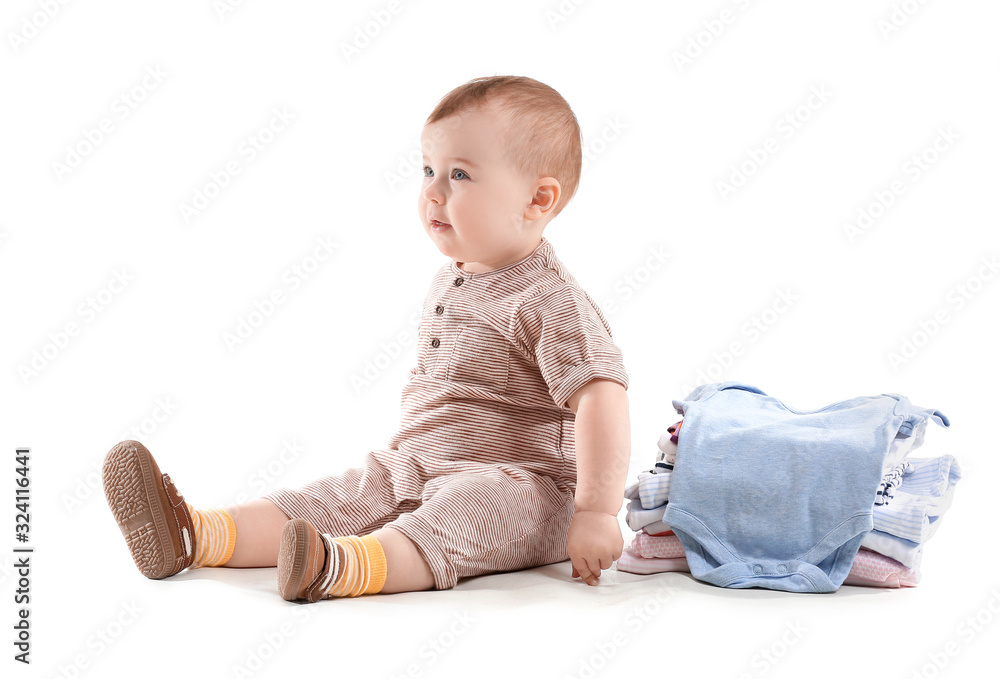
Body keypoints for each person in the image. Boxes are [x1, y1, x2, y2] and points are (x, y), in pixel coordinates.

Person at [102, 75, 631, 602]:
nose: (432, 191)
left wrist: (594, 512)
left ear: (538, 199)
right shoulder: (453, 277)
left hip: (524, 488)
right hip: (417, 462)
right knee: (338, 496)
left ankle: (340, 567)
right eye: (428, 170)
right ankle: (197, 534)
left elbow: (602, 398)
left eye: (460, 174)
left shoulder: (550, 300)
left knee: (464, 509)